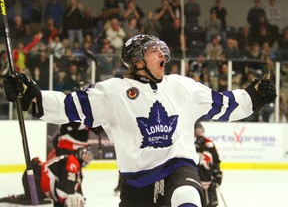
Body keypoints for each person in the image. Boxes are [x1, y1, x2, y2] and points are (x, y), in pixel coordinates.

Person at [3, 34, 277, 207]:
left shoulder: (181, 87)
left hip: (178, 167)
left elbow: (225, 105)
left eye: (162, 50)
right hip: (136, 182)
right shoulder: (112, 92)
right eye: (153, 50)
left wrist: (253, 97)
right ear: (136, 60)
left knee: (187, 196)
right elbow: (68, 105)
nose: (162, 54)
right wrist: (32, 96)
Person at [22, 147, 93, 207]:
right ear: (79, 154)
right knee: (37, 204)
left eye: (88, 158)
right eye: (85, 156)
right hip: (33, 178)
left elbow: (76, 190)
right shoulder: (72, 162)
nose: (86, 159)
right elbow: (64, 189)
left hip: (35, 178)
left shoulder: (78, 171)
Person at [194, 122, 222, 207]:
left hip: (207, 177)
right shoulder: (191, 144)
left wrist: (217, 172)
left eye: (200, 129)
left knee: (209, 202)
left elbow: (216, 160)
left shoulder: (208, 143)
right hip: (198, 177)